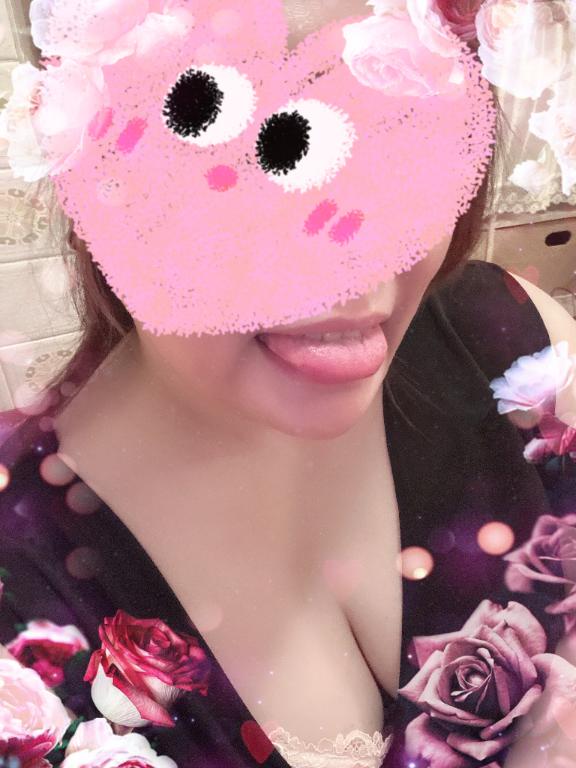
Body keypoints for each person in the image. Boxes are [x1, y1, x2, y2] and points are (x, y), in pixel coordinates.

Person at [1, 1, 576, 767]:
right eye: (214, 136)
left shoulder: (518, 353)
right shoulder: (22, 617)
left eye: (402, 119)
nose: (356, 253)